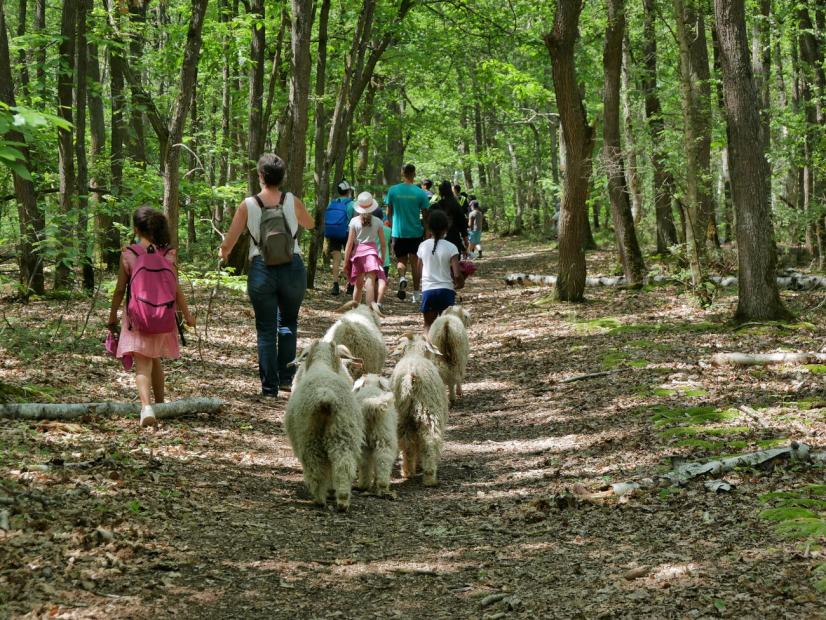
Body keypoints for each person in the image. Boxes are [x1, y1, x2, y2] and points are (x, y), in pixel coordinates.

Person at [219, 153, 315, 398]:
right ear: (281, 177)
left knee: (265, 329)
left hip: (262, 268)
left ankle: (269, 388)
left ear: (260, 176)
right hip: (292, 267)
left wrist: (223, 253)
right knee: (289, 323)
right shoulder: (292, 200)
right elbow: (310, 224)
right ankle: (286, 379)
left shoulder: (248, 204)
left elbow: (230, 240)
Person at [108, 207, 195, 427]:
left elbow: (119, 289)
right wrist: (187, 315)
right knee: (155, 358)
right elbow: (175, 288)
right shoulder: (168, 254)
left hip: (138, 317)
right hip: (163, 317)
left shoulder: (129, 253)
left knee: (142, 365)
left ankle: (147, 408)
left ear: (137, 229)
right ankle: (161, 404)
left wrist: (112, 317)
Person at [386, 163, 430, 304]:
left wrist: (392, 228)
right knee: (415, 263)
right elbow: (425, 215)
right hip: (416, 232)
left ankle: (402, 278)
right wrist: (427, 232)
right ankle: (416, 294)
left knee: (401, 260)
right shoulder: (420, 193)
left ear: (402, 173)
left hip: (398, 232)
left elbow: (389, 213)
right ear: (414, 174)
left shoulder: (393, 190)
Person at [417, 210, 464, 330]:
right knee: (448, 328)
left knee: (428, 326)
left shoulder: (423, 246)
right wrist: (460, 283)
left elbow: (418, 272)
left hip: (428, 291)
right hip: (446, 291)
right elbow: (457, 274)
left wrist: (417, 290)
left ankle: (428, 347)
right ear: (446, 228)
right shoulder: (451, 247)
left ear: (429, 228)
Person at [343, 192, 387, 311]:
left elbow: (349, 244)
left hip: (358, 255)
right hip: (372, 255)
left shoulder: (354, 221)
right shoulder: (378, 221)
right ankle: (369, 312)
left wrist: (346, 261)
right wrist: (382, 257)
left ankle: (354, 311)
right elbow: (383, 244)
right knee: (370, 285)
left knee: (358, 286)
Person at [324, 181, 353, 296]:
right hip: (347, 233)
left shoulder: (332, 203)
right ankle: (350, 285)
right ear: (348, 191)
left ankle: (335, 285)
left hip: (334, 233)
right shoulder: (351, 204)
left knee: (336, 259)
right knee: (350, 258)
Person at [432, 180, 469, 257]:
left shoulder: (436, 206)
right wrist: (465, 239)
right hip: (455, 239)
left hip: (440, 239)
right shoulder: (456, 205)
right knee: (454, 262)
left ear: (440, 191)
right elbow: (462, 222)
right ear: (450, 190)